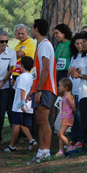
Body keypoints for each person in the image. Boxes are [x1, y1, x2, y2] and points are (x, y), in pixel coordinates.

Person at [29, 19, 57, 164]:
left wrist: (39, 89)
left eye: (32, 28)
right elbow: (38, 71)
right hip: (39, 88)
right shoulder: (41, 46)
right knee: (40, 121)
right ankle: (41, 150)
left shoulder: (45, 45)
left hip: (45, 88)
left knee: (43, 120)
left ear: (37, 29)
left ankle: (46, 151)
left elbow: (45, 69)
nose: (31, 30)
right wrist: (32, 89)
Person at [2, 56, 37, 153]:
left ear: (21, 65)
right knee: (24, 125)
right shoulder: (31, 76)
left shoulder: (21, 77)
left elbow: (22, 90)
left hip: (19, 106)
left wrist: (21, 104)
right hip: (29, 105)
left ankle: (12, 145)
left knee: (16, 125)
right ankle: (31, 140)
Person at [67, 33, 86, 151]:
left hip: (81, 89)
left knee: (79, 115)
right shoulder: (73, 57)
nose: (80, 46)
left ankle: (80, 138)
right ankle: (73, 137)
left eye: (81, 43)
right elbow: (68, 73)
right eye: (77, 44)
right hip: (72, 90)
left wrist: (77, 70)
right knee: (72, 114)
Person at [55, 78, 75, 157]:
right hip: (64, 117)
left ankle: (69, 146)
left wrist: (73, 113)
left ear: (66, 87)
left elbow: (73, 107)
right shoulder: (64, 96)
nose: (59, 87)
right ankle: (61, 150)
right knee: (61, 133)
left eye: (60, 86)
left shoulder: (68, 97)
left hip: (67, 117)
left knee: (60, 134)